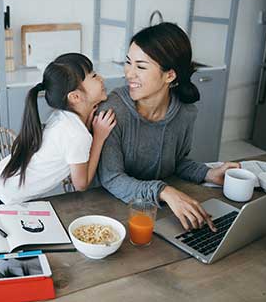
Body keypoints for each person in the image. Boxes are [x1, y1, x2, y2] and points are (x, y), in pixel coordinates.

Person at [97, 23, 239, 231]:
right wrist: (165, 191)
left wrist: (209, 174)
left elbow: (175, 162)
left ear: (170, 75)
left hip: (156, 214)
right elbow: (111, 178)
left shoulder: (185, 112)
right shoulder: (113, 110)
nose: (129, 73)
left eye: (141, 66)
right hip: (109, 215)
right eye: (128, 62)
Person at [0, 53, 116, 208]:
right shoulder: (77, 135)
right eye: (94, 76)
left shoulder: (64, 117)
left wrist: (88, 128)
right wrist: (99, 137)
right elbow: (81, 185)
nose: (101, 78)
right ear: (75, 97)